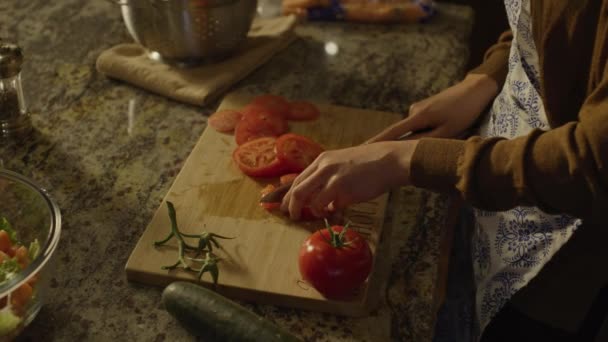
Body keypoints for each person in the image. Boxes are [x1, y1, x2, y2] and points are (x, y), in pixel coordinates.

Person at [280, 0, 608, 340]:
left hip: (558, 260)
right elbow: (538, 27)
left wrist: (405, 161)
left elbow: (593, 162)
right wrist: (483, 81)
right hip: (489, 192)